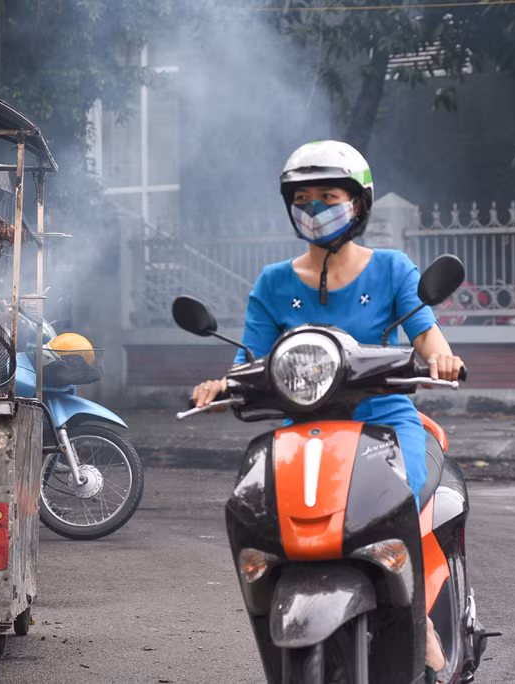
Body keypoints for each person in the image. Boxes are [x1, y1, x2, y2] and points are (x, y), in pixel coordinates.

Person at [190, 141, 459, 680]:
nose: (314, 208)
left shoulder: (391, 269)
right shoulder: (273, 283)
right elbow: (251, 360)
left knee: (403, 506)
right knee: (259, 509)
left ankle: (420, 620)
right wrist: (222, 385)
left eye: (328, 196)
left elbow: (426, 337)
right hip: (305, 432)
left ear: (357, 204)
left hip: (384, 424)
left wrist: (443, 358)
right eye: (303, 198)